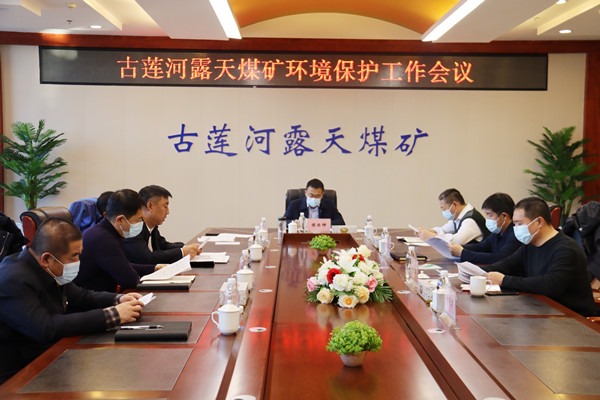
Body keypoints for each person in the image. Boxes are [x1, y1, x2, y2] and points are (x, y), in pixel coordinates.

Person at [0, 218, 144, 383]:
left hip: (52, 356)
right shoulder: (12, 279)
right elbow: (45, 328)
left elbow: (80, 296)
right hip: (19, 374)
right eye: (74, 256)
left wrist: (118, 299)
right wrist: (111, 315)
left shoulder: (47, 266)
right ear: (47, 259)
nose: (78, 262)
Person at [484, 197, 596, 316]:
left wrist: (504, 280)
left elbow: (550, 285)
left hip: (572, 318)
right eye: (514, 224)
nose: (515, 228)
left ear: (539, 222)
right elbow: (505, 265)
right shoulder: (530, 245)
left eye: (519, 223)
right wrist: (474, 272)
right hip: (542, 311)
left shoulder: (566, 249)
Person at [74, 189, 163, 292]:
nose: (141, 223)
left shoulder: (104, 231)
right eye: (138, 219)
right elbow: (129, 280)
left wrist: (154, 268)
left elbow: (122, 264)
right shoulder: (104, 239)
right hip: (89, 298)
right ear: (120, 220)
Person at [123, 185, 201, 264]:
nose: (168, 212)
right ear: (150, 206)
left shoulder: (152, 226)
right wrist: (182, 252)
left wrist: (187, 248)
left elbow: (163, 246)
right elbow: (147, 259)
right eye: (165, 206)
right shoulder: (134, 228)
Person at [447, 193, 521, 264]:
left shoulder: (515, 235)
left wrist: (463, 253)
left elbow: (499, 258)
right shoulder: (497, 233)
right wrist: (459, 247)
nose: (487, 219)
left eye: (489, 215)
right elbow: (481, 247)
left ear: (504, 216)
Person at [416, 188, 489, 245]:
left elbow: (457, 241)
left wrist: (431, 236)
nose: (443, 212)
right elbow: (444, 230)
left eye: (444, 208)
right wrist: (428, 231)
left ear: (455, 204)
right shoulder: (458, 217)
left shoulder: (470, 220)